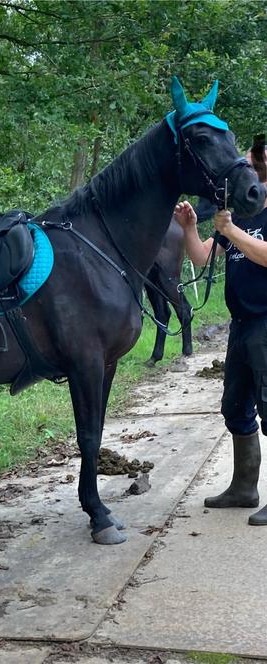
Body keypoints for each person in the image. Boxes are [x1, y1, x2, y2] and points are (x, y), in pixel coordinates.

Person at [174, 138, 267, 526]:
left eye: (252, 163)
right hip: (241, 325)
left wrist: (232, 232)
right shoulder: (239, 218)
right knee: (235, 407)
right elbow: (201, 258)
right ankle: (244, 489)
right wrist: (190, 228)